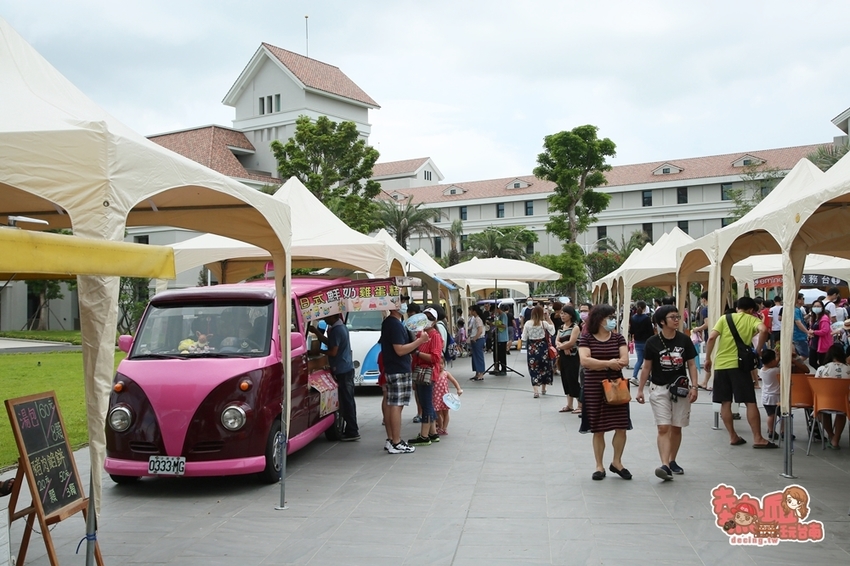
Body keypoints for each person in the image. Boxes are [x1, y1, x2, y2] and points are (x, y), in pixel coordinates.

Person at [636, 305, 699, 481]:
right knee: (663, 426)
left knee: (677, 426)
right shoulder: (652, 342)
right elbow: (646, 367)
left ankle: (672, 460)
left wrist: (695, 386)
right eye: (673, 317)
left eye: (678, 316)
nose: (677, 320)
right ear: (662, 322)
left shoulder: (684, 340)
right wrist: (640, 389)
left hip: (680, 388)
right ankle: (664, 464)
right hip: (659, 388)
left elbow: (691, 364)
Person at [704, 296, 775, 448]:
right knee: (749, 401)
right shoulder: (751, 320)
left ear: (737, 308)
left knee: (725, 402)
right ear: (751, 310)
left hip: (721, 365)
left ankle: (733, 436)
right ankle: (758, 438)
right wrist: (757, 350)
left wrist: (708, 358)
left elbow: (711, 338)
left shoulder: (724, 318)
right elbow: (764, 330)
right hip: (740, 366)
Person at [578, 304, 632, 481]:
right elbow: (585, 361)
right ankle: (599, 466)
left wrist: (602, 363)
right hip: (594, 387)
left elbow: (624, 359)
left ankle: (617, 462)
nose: (612, 320)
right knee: (598, 428)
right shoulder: (586, 338)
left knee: (621, 426)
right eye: (609, 317)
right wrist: (608, 363)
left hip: (617, 386)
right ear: (600, 319)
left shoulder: (618, 338)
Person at [380, 304, 430, 454]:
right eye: (401, 301)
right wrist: (420, 341)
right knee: (396, 405)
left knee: (391, 404)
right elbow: (400, 350)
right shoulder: (394, 324)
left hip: (393, 368)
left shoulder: (390, 322)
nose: (404, 305)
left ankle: (391, 439)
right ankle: (396, 442)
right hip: (398, 369)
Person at [309, 313, 359, 441]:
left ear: (333, 316)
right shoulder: (340, 327)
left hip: (343, 369)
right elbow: (330, 343)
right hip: (345, 368)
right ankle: (351, 429)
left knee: (347, 401)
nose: (325, 319)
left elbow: (333, 351)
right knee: (347, 400)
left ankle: (352, 430)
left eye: (327, 316)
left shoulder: (337, 330)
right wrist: (316, 332)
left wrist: (319, 351)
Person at [409, 308, 444, 446]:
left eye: (430, 317)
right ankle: (432, 433)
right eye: (425, 316)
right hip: (420, 372)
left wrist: (417, 353)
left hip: (427, 373)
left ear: (435, 320)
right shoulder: (421, 334)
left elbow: (435, 358)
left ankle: (424, 436)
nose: (427, 319)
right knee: (425, 402)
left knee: (426, 404)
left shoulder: (434, 336)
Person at [813, 342, 850, 449]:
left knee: (820, 411)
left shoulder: (822, 369)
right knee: (842, 413)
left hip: (824, 403)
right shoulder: (848, 369)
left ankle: (831, 435)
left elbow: (816, 388)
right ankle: (836, 439)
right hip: (843, 403)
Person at [521, 305, 556, 398]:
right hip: (543, 348)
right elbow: (553, 331)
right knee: (545, 368)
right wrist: (548, 317)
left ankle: (536, 391)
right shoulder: (544, 323)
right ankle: (544, 388)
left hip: (532, 349)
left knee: (534, 369)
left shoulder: (528, 323)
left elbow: (524, 337)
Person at [556, 305, 582, 414]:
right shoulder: (561, 327)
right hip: (563, 357)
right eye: (561, 313)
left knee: (573, 380)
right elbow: (556, 341)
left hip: (573, 357)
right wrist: (562, 346)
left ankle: (580, 405)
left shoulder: (575, 327)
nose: (562, 315)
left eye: (565, 314)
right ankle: (569, 404)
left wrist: (562, 346)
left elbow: (572, 342)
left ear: (570, 315)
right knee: (565, 380)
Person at [629, 300, 654, 386]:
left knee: (639, 360)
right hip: (646, 341)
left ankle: (634, 376)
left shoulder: (633, 318)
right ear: (644, 308)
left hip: (637, 341)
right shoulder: (646, 318)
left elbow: (631, 330)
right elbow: (650, 331)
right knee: (648, 360)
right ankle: (648, 378)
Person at [758, 349, 781, 442]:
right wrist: (780, 356)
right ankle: (783, 431)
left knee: (771, 415)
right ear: (772, 361)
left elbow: (774, 364)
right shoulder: (775, 370)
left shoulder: (762, 371)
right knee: (782, 415)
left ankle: (771, 431)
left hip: (766, 397)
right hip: (776, 397)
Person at [807, 299, 835, 369]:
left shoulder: (824, 318)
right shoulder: (814, 318)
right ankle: (821, 372)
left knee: (823, 362)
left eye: (818, 306)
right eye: (815, 306)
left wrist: (814, 332)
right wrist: (810, 332)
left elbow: (825, 331)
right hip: (814, 343)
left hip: (822, 344)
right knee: (812, 362)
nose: (816, 308)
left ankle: (822, 373)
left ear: (822, 308)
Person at [434, 368, 463, 435]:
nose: (440, 366)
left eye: (442, 363)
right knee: (437, 413)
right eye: (438, 364)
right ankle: (440, 427)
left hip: (446, 397)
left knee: (446, 413)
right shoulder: (433, 373)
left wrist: (458, 389)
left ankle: (444, 428)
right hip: (436, 397)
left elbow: (454, 381)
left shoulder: (446, 373)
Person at [468, 305, 486, 381]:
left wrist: (475, 338)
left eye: (471, 310)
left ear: (474, 311)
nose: (470, 312)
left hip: (478, 339)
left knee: (479, 356)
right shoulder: (474, 319)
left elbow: (480, 330)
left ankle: (481, 374)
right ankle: (477, 373)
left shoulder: (478, 319)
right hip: (475, 339)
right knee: (475, 357)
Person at [792, 293, 810, 360]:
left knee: (797, 354)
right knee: (804, 355)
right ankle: (795, 366)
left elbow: (801, 320)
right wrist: (807, 332)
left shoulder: (797, 309)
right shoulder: (796, 310)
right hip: (799, 336)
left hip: (797, 335)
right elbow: (798, 323)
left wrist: (808, 315)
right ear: (798, 300)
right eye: (803, 299)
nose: (803, 300)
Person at [494, 303, 510, 375]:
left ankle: (504, 369)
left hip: (502, 338)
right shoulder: (499, 316)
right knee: (499, 354)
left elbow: (504, 326)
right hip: (499, 337)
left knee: (502, 354)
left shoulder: (503, 315)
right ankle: (498, 368)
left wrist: (496, 324)